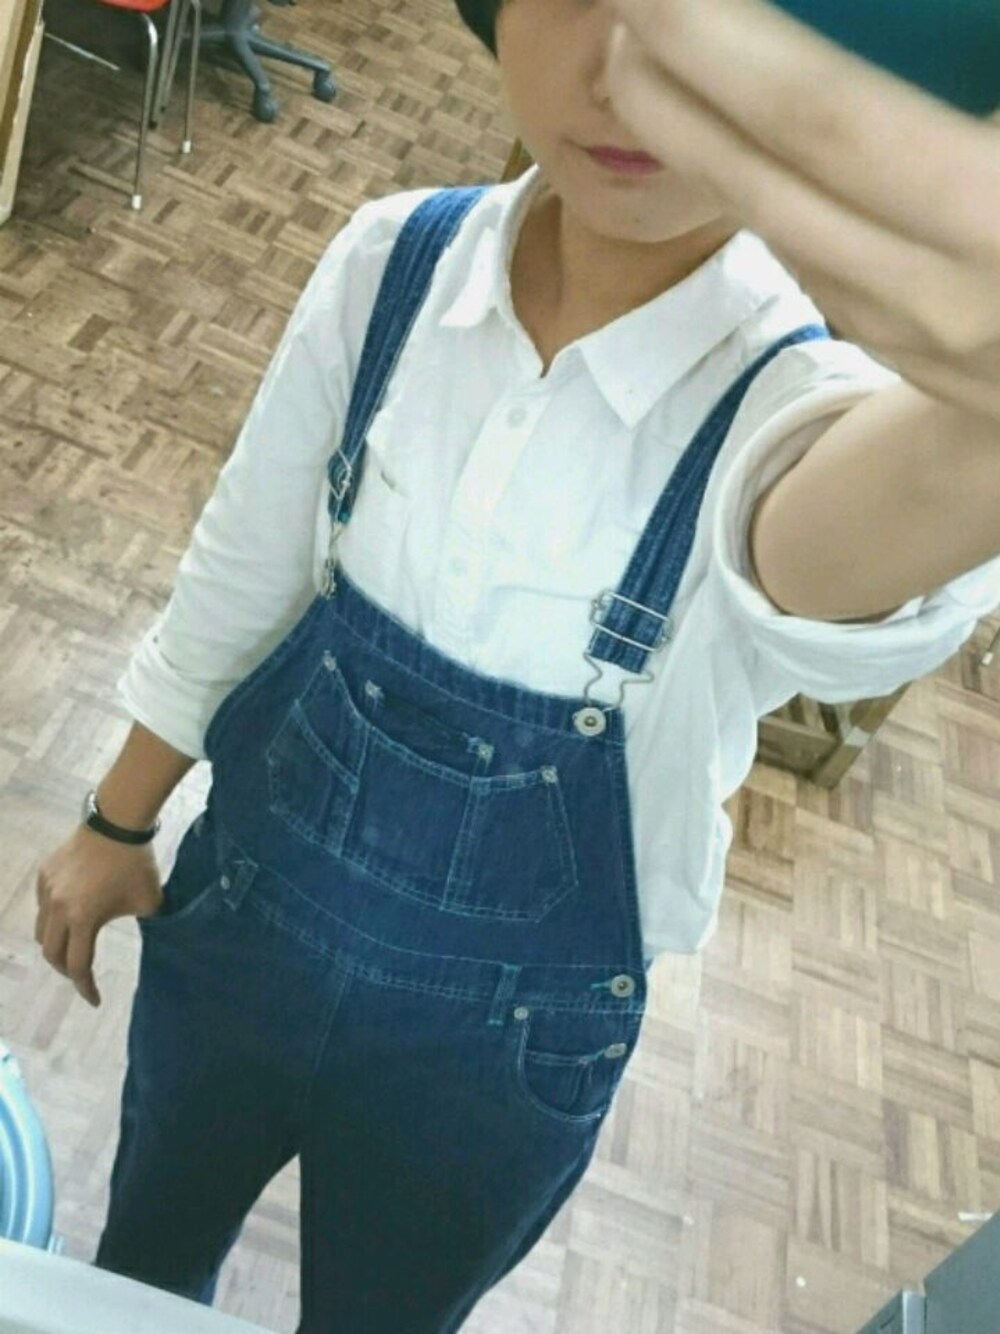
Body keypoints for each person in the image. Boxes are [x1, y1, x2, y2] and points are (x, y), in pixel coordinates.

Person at [31, 0, 1000, 1330]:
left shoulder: (791, 410)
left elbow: (858, 525)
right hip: (242, 929)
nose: (623, 75)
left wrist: (978, 423)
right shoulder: (391, 265)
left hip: (495, 1065)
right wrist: (116, 816)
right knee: (139, 1261)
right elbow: (242, 573)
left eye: (701, 22)